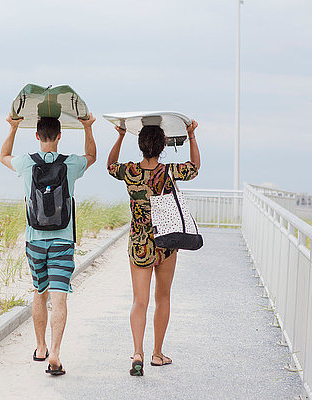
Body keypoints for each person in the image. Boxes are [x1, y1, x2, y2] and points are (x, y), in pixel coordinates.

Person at [0, 113, 97, 375]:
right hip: (63, 241)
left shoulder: (26, 163)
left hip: (35, 241)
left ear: (37, 135)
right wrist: (88, 128)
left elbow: (3, 156)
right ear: (59, 135)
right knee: (59, 296)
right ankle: (55, 352)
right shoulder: (71, 164)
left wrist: (13, 127)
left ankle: (41, 347)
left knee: (39, 291)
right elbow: (92, 156)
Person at [106, 121, 200, 376]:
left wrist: (120, 136)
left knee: (140, 300)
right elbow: (194, 168)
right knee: (163, 297)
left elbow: (110, 165)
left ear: (141, 146)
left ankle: (138, 353)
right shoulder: (168, 171)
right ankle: (157, 354)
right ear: (163, 147)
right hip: (166, 242)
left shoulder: (130, 171)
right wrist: (191, 136)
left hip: (139, 242)